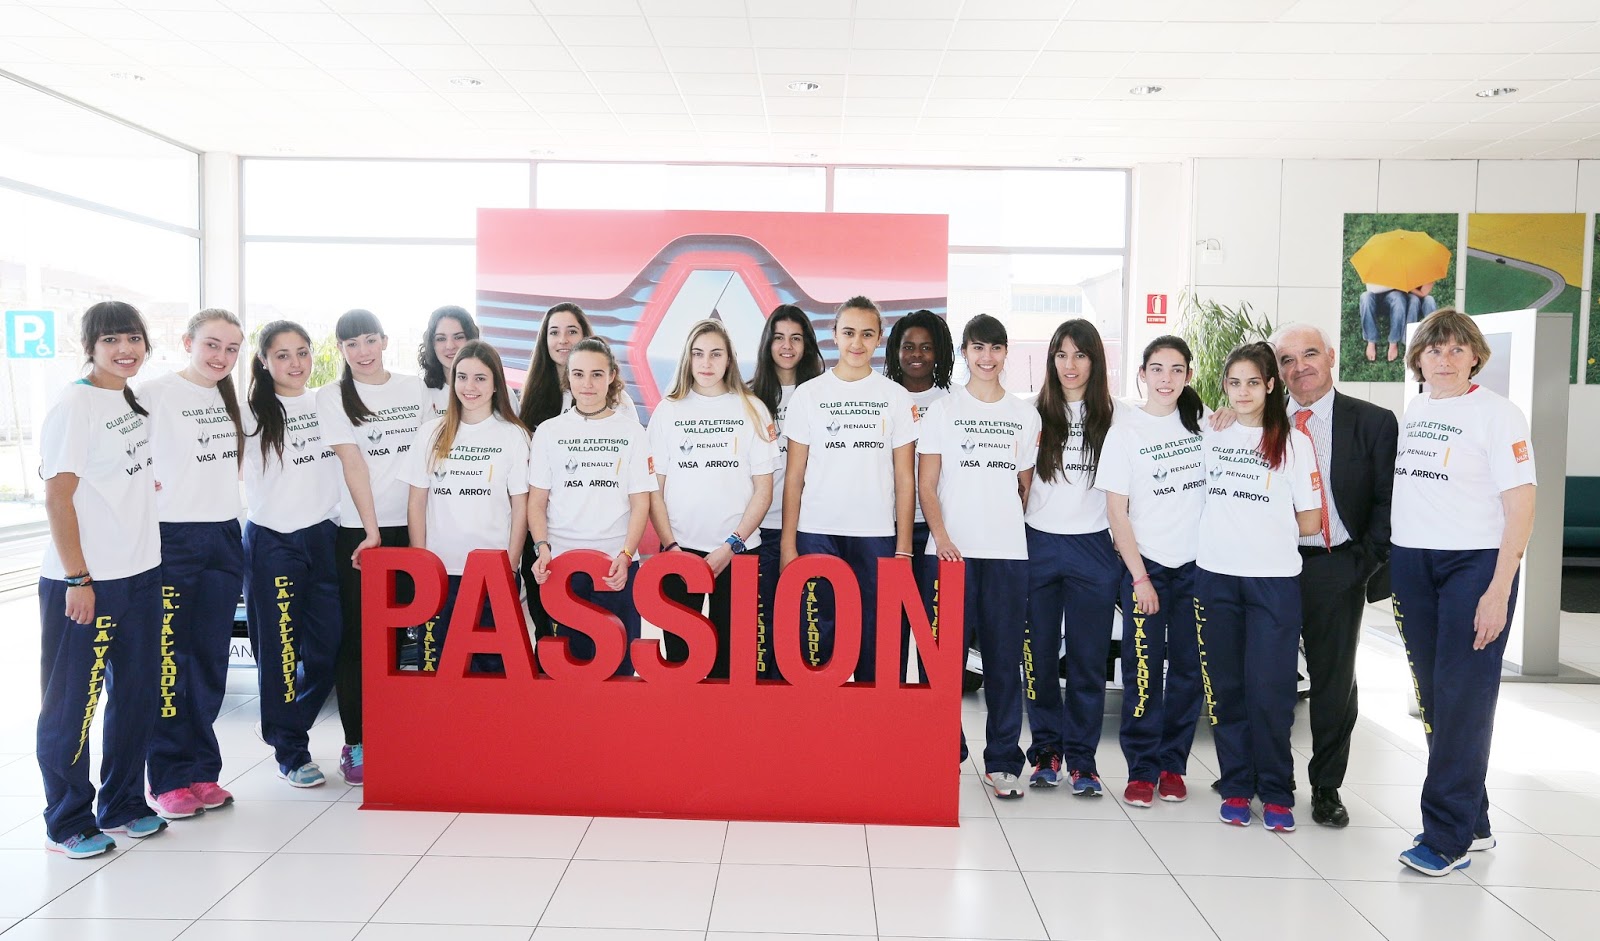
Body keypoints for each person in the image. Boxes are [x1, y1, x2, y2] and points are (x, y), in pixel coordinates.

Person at [1391, 309, 1536, 876]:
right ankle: (1473, 821)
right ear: (1418, 358)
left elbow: (1521, 505)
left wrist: (1499, 588)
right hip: (1413, 563)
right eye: (1434, 349)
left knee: (1464, 696)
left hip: (1472, 567)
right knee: (1435, 695)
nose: (1444, 359)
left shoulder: (1499, 414)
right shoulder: (1418, 409)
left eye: (1456, 349)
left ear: (1475, 356)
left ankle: (1445, 837)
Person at [37, 301, 168, 858]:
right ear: (89, 346)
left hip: (140, 572)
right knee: (73, 706)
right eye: (111, 339)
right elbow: (58, 497)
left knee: (136, 696)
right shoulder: (75, 404)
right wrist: (78, 578)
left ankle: (123, 804)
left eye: (133, 338)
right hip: (86, 581)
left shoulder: (129, 399)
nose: (124, 350)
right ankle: (67, 819)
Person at [1270, 322, 1398, 828]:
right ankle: (1267, 774)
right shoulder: (1260, 420)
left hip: (1337, 565)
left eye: (1309, 354)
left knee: (1332, 682)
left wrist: (1362, 563)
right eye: (1286, 359)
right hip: (1270, 567)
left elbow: (1389, 502)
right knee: (1267, 677)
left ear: (1330, 357)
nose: (1299, 367)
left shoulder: (1373, 422)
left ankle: (1326, 786)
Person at [1195, 342, 1323, 833]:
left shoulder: (1295, 443)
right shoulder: (1210, 433)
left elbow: (1311, 520)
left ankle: (1275, 792)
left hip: (1273, 582)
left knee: (1270, 692)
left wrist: (1262, 524)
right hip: (1215, 576)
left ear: (1271, 385)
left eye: (1253, 382)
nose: (1243, 392)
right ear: (1224, 388)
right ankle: (1235, 786)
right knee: (1226, 690)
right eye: (1234, 383)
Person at [919, 314, 1040, 798]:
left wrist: (1000, 524)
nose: (986, 357)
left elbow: (1024, 487)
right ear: (965, 353)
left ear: (1006, 353)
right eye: (977, 348)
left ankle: (1003, 760)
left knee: (1004, 660)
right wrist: (943, 536)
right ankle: (942, 749)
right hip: (950, 554)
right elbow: (927, 485)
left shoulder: (1024, 415)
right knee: (944, 661)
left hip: (1007, 553)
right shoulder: (942, 411)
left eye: (995, 348)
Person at [140, 308, 246, 820]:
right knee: (170, 660)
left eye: (231, 349)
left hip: (223, 535)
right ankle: (167, 777)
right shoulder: (154, 393)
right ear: (187, 342)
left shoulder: (229, 397)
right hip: (172, 538)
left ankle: (203, 769)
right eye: (211, 345)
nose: (221, 357)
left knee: (209, 659)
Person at [781, 296, 919, 683]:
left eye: (867, 334)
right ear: (834, 335)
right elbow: (794, 476)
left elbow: (905, 478)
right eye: (849, 333)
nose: (857, 343)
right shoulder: (809, 395)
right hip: (817, 532)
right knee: (820, 641)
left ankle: (872, 719)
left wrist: (904, 548)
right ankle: (820, 717)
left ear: (879, 338)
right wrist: (789, 544)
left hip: (876, 533)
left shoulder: (895, 396)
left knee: (875, 639)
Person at [316, 309, 426, 787]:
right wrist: (371, 530)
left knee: (406, 635)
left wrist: (419, 533)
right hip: (362, 533)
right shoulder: (332, 395)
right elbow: (352, 463)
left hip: (415, 526)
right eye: (351, 344)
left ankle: (399, 731)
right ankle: (357, 741)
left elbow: (427, 459)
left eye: (368, 340)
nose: (362, 352)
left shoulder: (415, 389)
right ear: (341, 350)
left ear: (383, 340)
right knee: (360, 638)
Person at [1097, 335, 1208, 808]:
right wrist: (1140, 577)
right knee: (1142, 669)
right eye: (1157, 369)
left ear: (1188, 375)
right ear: (1142, 374)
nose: (1167, 379)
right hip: (1147, 569)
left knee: (1188, 671)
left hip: (1197, 569)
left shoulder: (1205, 425)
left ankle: (1172, 765)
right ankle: (1141, 769)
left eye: (1177, 369)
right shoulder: (1125, 433)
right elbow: (1116, 513)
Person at [1020, 319, 1122, 793]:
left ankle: (1083, 760)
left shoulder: (1118, 416)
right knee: (1039, 657)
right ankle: (1046, 751)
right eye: (1061, 354)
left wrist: (1218, 415)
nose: (1070, 364)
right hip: (1037, 545)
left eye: (1080, 354)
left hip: (1093, 548)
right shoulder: (1030, 413)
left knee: (1087, 660)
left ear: (1095, 360)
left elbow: (1175, 417)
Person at [242, 320, 345, 789]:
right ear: (264, 361)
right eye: (282, 355)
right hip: (274, 542)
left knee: (328, 649)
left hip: (325, 536)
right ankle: (290, 749)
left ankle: (284, 722)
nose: (295, 362)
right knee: (280, 652)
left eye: (302, 352)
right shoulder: (249, 413)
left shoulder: (327, 401)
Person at [649, 320, 776, 680]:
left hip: (738, 551)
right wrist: (671, 546)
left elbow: (764, 489)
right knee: (681, 664)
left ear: (729, 359)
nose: (706, 363)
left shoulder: (752, 409)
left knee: (731, 667)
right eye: (698, 353)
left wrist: (732, 545)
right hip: (679, 551)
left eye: (716, 354)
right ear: (687, 358)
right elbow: (654, 488)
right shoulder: (668, 411)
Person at [528, 337, 656, 677]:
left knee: (620, 671)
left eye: (597, 374)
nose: (587, 383)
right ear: (567, 377)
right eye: (578, 374)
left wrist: (626, 555)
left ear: (611, 376)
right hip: (563, 569)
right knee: (570, 672)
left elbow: (640, 503)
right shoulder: (549, 432)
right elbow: (536, 503)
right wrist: (542, 548)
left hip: (616, 567)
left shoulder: (632, 432)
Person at [403, 340, 529, 673]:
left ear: (496, 384)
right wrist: (421, 561)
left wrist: (510, 565)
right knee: (440, 666)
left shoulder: (513, 436)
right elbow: (417, 502)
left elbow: (521, 506)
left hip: (491, 571)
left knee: (492, 667)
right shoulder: (430, 433)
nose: (469, 386)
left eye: (480, 378)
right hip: (441, 570)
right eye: (462, 377)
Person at [517, 303, 636, 641]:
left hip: (599, 534)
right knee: (550, 622)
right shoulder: (532, 395)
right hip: (544, 528)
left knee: (605, 630)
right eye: (554, 332)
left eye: (572, 331)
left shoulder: (618, 401)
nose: (563, 340)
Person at [750, 305, 825, 680]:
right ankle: (766, 700)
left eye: (796, 338)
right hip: (760, 527)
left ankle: (803, 698)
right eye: (779, 337)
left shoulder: (822, 394)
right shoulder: (749, 396)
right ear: (767, 343)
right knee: (761, 621)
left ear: (807, 344)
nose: (787, 346)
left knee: (805, 622)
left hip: (808, 525)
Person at [884, 309, 954, 678]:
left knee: (935, 632)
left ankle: (934, 710)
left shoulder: (953, 402)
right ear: (895, 351)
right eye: (908, 346)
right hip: (890, 528)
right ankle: (888, 709)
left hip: (936, 532)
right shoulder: (883, 398)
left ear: (939, 352)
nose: (917, 354)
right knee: (888, 629)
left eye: (926, 347)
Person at [418, 304, 481, 419]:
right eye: (441, 339)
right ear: (432, 344)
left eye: (458, 337)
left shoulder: (499, 393)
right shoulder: (422, 394)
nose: (450, 346)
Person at [1360, 282, 1437, 363]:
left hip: (1401, 295)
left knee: (1424, 300)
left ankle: (1432, 336)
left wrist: (1406, 286)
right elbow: (1371, 287)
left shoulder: (1427, 276)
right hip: (1378, 294)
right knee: (1365, 297)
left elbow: (1423, 293)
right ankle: (1371, 341)